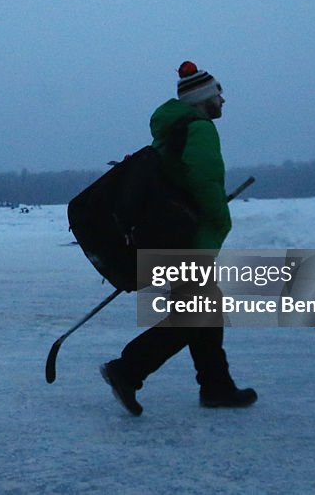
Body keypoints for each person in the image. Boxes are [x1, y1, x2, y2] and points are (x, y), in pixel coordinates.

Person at [100, 60, 257, 416]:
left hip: (168, 235)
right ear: (204, 98)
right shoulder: (199, 129)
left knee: (205, 310)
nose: (223, 101)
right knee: (194, 316)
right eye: (218, 94)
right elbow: (203, 179)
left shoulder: (170, 131)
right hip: (187, 237)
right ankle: (127, 369)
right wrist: (218, 218)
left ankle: (217, 386)